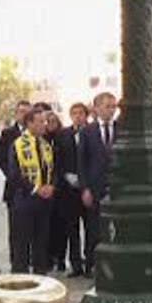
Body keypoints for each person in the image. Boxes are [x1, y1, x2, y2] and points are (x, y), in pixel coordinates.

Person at [6, 106, 57, 275]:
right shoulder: (18, 144)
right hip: (24, 199)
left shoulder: (46, 145)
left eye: (45, 121)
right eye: (40, 121)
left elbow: (53, 169)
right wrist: (36, 188)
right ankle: (20, 275)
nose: (44, 124)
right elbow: (14, 174)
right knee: (21, 241)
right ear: (29, 123)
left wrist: (51, 186)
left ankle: (40, 273)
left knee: (41, 240)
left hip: (44, 201)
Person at [79, 91, 118, 277]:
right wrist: (85, 188)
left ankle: (113, 265)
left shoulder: (121, 129)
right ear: (97, 108)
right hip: (94, 188)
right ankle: (91, 265)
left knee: (115, 229)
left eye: (113, 106)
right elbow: (82, 162)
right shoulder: (87, 131)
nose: (111, 110)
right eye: (107, 106)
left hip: (117, 188)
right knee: (93, 229)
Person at [50, 103, 87, 277]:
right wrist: (66, 175)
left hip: (87, 188)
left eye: (81, 113)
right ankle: (75, 264)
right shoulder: (63, 135)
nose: (78, 116)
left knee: (91, 228)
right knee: (72, 229)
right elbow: (57, 160)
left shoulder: (92, 132)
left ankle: (90, 262)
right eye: (74, 113)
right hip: (68, 189)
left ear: (86, 115)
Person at [0, 100, 32, 253]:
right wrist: (14, 176)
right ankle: (17, 259)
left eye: (27, 112)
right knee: (16, 230)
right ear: (16, 114)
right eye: (21, 112)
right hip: (14, 188)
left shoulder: (37, 132)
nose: (24, 115)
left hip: (34, 188)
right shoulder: (7, 134)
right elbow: (2, 159)